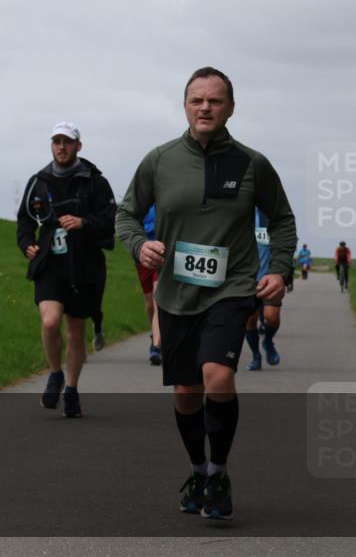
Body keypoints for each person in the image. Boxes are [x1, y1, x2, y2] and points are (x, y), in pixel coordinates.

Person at [116, 67, 296, 521]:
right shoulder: (159, 161)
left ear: (230, 107)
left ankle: (218, 473)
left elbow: (282, 220)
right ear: (185, 106)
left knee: (217, 376)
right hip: (177, 293)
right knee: (186, 391)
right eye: (197, 100)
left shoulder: (252, 163)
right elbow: (126, 215)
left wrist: (278, 270)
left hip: (231, 288)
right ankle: (198, 470)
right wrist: (142, 245)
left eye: (215, 101)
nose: (205, 108)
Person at [17, 122, 117, 418]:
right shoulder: (39, 180)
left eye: (67, 142)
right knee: (50, 322)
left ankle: (71, 389)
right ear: (51, 145)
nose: (61, 147)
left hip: (85, 264)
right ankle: (55, 373)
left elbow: (110, 218)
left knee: (75, 331)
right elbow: (24, 221)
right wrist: (26, 245)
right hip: (50, 263)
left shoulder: (95, 181)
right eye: (56, 141)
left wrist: (84, 222)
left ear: (78, 146)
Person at [244, 208, 283, 371]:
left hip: (270, 275)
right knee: (249, 320)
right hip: (246, 276)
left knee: (272, 317)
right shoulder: (242, 211)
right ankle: (256, 356)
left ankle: (268, 341)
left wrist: (282, 272)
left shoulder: (273, 212)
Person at [136, 204, 162, 365]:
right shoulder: (142, 200)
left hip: (163, 252)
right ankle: (154, 334)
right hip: (144, 254)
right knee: (149, 303)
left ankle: (156, 346)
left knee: (157, 300)